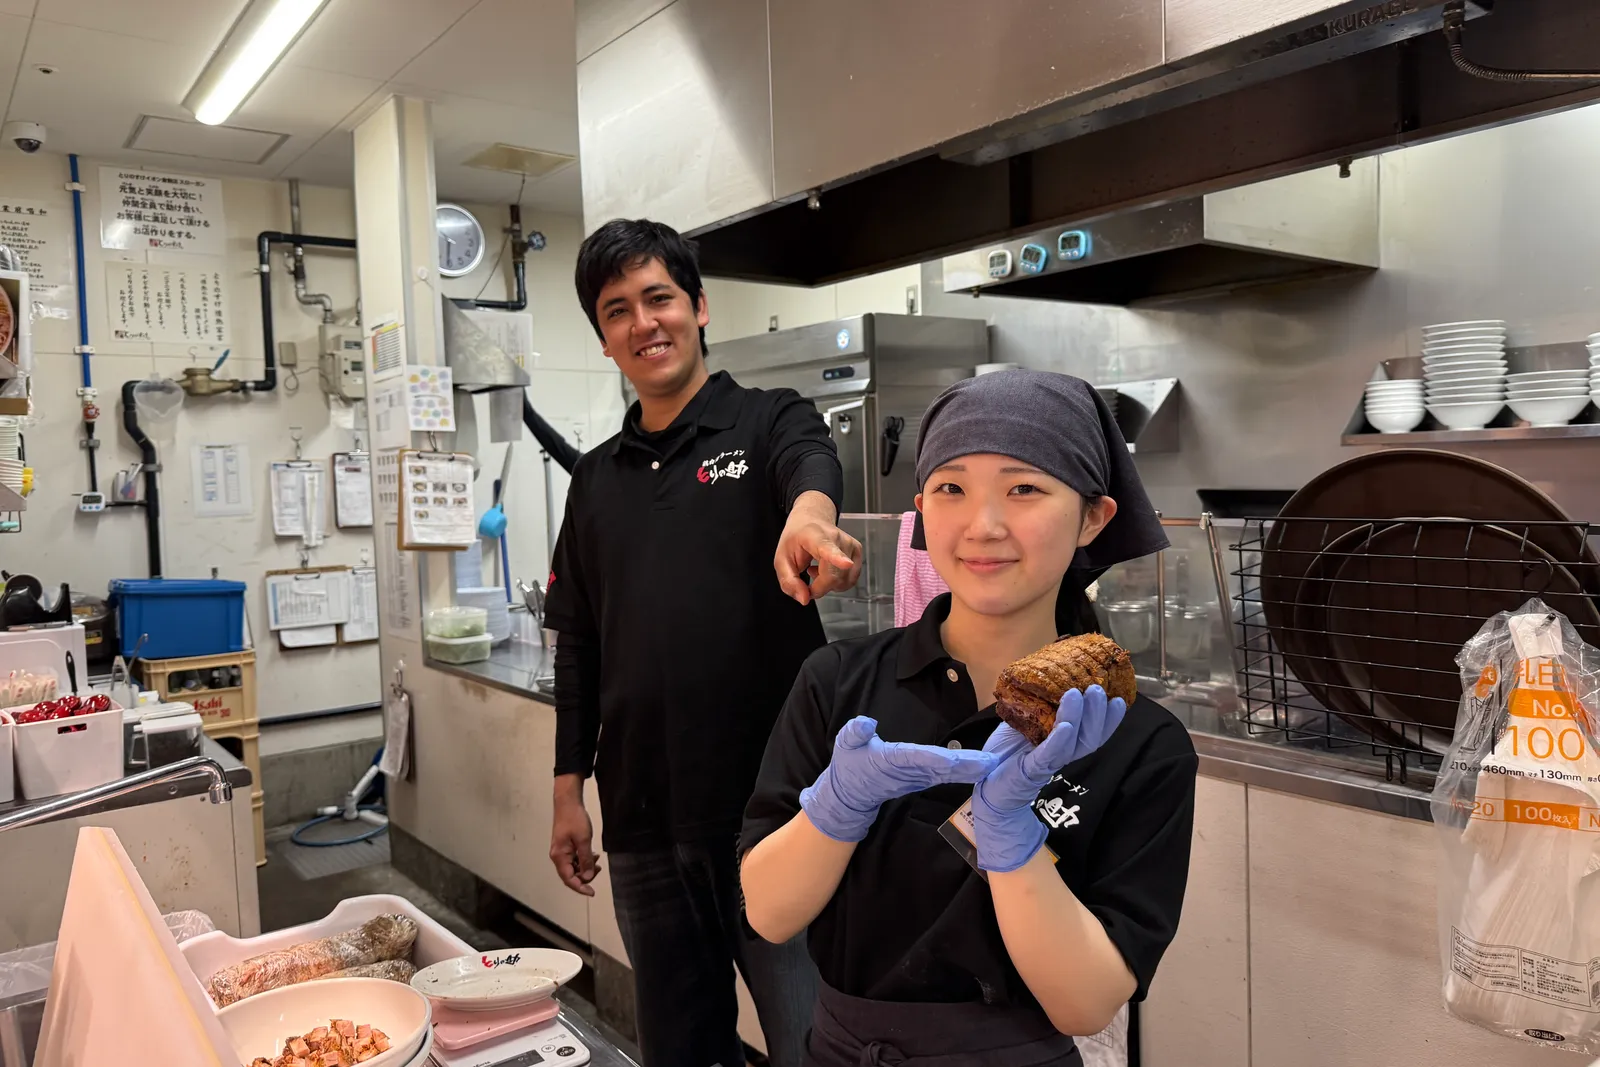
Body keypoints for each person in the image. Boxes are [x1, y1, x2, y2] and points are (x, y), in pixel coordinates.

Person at [740, 369, 1198, 1065]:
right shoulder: (839, 682)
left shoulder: (1135, 738)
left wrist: (1010, 839)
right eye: (952, 488)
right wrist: (837, 807)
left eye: (1024, 488)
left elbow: (1086, 1002)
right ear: (921, 508)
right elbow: (769, 913)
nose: (983, 525)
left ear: (1093, 517)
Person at [544, 218, 863, 1067]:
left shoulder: (765, 423)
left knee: (811, 1041)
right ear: (604, 338)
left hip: (774, 815)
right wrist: (567, 787)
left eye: (659, 298)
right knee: (679, 1050)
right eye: (619, 310)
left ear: (698, 306)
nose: (644, 322)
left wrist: (809, 517)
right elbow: (576, 640)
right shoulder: (596, 479)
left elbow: (811, 468)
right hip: (642, 818)